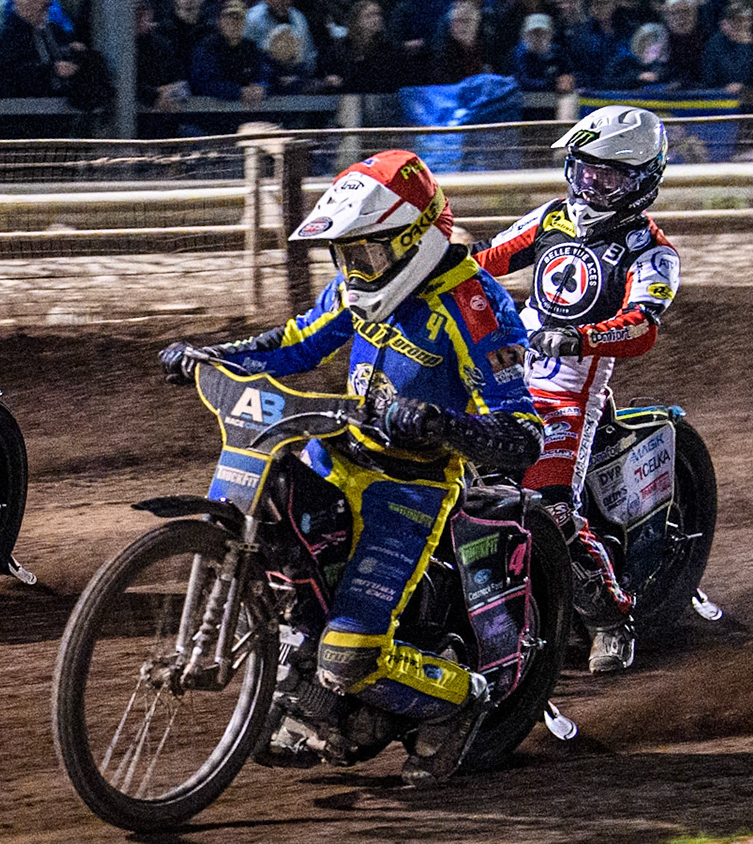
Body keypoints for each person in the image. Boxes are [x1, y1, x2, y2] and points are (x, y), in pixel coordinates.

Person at [160, 149, 543, 786]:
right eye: (345, 254)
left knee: (350, 655)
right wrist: (210, 354)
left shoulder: (475, 305)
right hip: (332, 454)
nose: (353, 269)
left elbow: (522, 435)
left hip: (411, 486)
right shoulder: (356, 285)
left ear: (415, 240)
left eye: (366, 253)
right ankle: (304, 676)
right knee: (270, 525)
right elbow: (296, 343)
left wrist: (441, 424)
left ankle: (460, 699)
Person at [471, 107, 677, 673]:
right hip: (506, 371)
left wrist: (578, 339)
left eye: (611, 175)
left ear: (644, 179)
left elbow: (642, 323)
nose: (594, 183)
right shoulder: (550, 219)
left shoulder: (650, 250)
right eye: (585, 169)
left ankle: (612, 619)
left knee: (551, 509)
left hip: (571, 386)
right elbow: (480, 265)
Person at [189, 0, 267, 103]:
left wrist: (261, 88)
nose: (234, 23)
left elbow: (265, 74)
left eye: (239, 18)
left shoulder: (251, 48)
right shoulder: (206, 49)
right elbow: (204, 84)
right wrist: (239, 92)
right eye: (229, 18)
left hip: (248, 111)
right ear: (220, 22)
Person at [705, 2, 753, 91]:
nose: (743, 24)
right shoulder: (715, 45)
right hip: (721, 96)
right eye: (738, 20)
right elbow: (709, 76)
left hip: (751, 95)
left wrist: (744, 86)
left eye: (747, 20)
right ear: (727, 22)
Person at [512, 12, 575, 91]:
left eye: (543, 33)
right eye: (534, 33)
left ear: (551, 34)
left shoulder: (558, 51)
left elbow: (570, 70)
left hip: (555, 93)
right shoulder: (520, 55)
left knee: (582, 99)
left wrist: (569, 79)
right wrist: (555, 83)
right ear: (525, 36)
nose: (538, 37)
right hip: (528, 97)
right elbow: (523, 82)